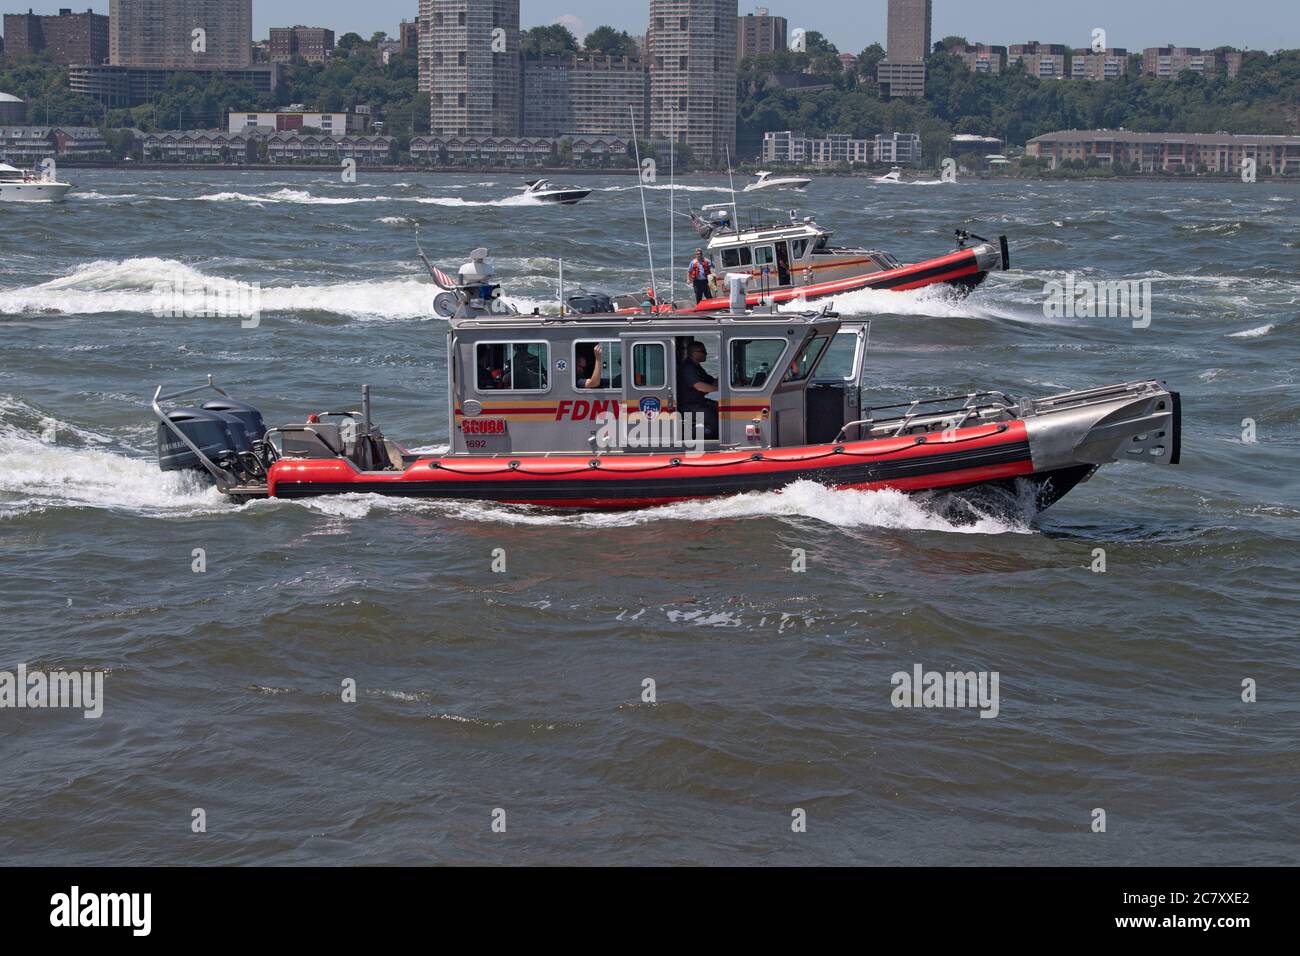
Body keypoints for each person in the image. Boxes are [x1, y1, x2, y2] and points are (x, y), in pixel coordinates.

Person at [678, 340, 719, 440]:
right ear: (695, 353)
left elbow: (710, 381)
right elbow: (699, 386)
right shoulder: (688, 367)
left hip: (699, 403)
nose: (706, 354)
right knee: (716, 422)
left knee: (720, 408)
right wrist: (718, 388)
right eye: (703, 352)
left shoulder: (697, 367)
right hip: (691, 406)